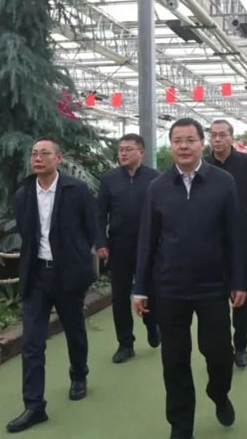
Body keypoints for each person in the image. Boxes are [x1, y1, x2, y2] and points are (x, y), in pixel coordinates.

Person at [133, 118, 247, 439]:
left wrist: (240, 280)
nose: (183, 146)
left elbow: (236, 235)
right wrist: (140, 288)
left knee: (219, 354)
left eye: (190, 140)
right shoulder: (157, 188)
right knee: (174, 360)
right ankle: (181, 425)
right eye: (177, 141)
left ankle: (219, 393)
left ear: (202, 143)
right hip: (169, 288)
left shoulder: (223, 182)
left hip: (212, 286)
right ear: (171, 146)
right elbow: (147, 241)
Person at [7, 137, 97, 433]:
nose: (38, 158)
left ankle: (79, 374)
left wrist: (76, 256)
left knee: (74, 329)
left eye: (44, 153)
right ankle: (34, 406)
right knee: (32, 342)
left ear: (59, 159)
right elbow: (26, 231)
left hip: (68, 274)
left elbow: (90, 228)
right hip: (36, 276)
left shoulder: (76, 190)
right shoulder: (23, 193)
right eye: (34, 153)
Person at [205, 119, 247, 368]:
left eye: (222, 134)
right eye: (213, 135)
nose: (217, 139)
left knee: (244, 293)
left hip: (243, 241)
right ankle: (223, 346)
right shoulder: (203, 165)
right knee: (215, 298)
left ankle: (240, 343)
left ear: (232, 137)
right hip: (210, 243)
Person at [95, 134, 161, 364]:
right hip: (119, 246)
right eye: (120, 149)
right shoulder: (109, 179)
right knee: (120, 296)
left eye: (128, 149)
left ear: (141, 152)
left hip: (149, 247)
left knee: (151, 292)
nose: (123, 153)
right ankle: (125, 343)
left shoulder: (155, 179)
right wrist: (101, 243)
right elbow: (99, 214)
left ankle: (152, 325)